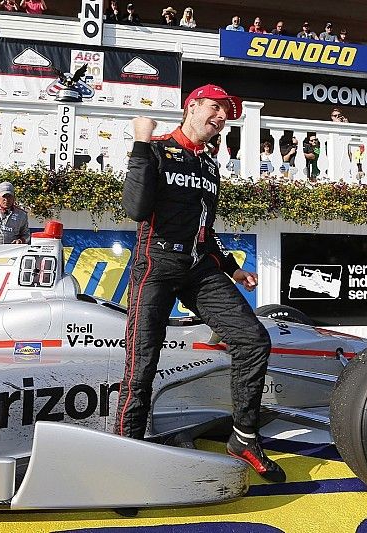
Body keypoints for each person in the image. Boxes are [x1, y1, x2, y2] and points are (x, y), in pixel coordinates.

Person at [115, 84, 285, 483]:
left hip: (198, 267)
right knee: (141, 367)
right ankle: (123, 459)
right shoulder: (155, 148)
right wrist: (141, 141)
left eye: (228, 112)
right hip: (155, 264)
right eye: (217, 107)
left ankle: (243, 437)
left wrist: (231, 267)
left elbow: (206, 232)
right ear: (192, 107)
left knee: (252, 339)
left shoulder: (210, 166)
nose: (223, 116)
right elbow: (135, 208)